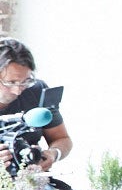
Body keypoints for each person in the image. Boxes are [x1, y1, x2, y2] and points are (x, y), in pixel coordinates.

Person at [0, 37, 72, 169]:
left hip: (32, 181)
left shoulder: (37, 91)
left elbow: (62, 138)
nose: (17, 91)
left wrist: (53, 154)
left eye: (25, 81)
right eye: (11, 83)